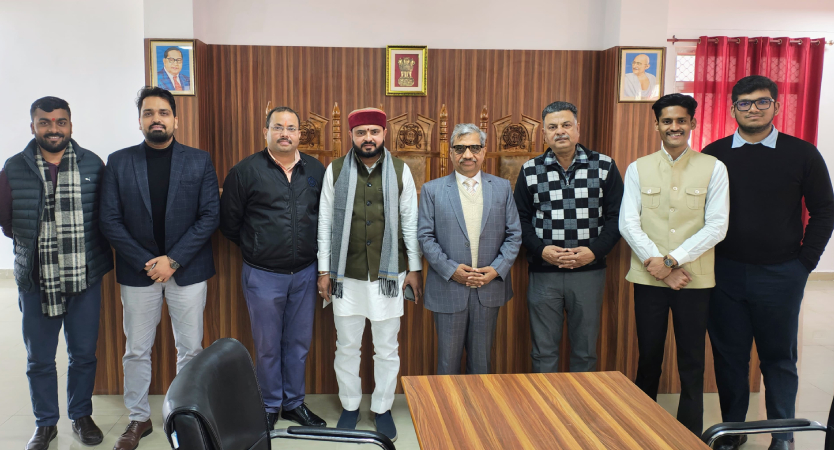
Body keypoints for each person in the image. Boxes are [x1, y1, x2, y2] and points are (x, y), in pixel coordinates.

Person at [702, 75, 834, 450]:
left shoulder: (802, 153)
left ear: (776, 106)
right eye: (744, 103)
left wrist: (804, 263)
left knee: (778, 359)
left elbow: (825, 211)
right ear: (733, 109)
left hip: (781, 274)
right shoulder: (714, 155)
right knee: (729, 359)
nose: (754, 109)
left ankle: (783, 435)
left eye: (762, 102)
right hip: (724, 273)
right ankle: (732, 432)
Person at [99, 86, 219, 450]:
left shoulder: (199, 160)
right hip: (139, 273)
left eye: (163, 113)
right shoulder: (119, 162)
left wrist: (173, 260)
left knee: (191, 349)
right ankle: (139, 418)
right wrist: (148, 262)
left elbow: (209, 215)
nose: (156, 119)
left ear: (175, 120)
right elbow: (109, 220)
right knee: (136, 349)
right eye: (148, 113)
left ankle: (185, 416)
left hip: (188, 271)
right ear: (139, 121)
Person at [0, 97, 113, 450]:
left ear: (70, 125)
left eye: (60, 121)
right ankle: (45, 423)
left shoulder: (93, 163)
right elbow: (8, 222)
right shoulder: (13, 167)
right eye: (44, 122)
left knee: (84, 354)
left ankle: (81, 415)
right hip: (37, 279)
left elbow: (105, 216)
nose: (53, 129)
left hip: (84, 276)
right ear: (32, 126)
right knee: (40, 358)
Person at [619, 93, 729, 437]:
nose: (674, 126)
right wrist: (660, 266)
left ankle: (690, 435)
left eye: (681, 120)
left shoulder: (714, 167)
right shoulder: (638, 168)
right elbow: (628, 223)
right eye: (667, 121)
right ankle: (643, 430)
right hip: (649, 279)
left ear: (692, 123)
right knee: (648, 357)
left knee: (692, 362)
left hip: (693, 280)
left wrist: (672, 261)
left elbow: (717, 225)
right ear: (657, 125)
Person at [317, 107, 423, 442]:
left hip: (388, 277)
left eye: (374, 132)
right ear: (351, 135)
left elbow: (410, 222)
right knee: (347, 346)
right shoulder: (335, 170)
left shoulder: (400, 170)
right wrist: (324, 270)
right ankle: (350, 406)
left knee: (386, 348)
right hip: (345, 276)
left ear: (384, 134)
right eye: (361, 132)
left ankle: (382, 407)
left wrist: (415, 269)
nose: (368, 138)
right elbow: (325, 223)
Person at [219, 106, 327, 428]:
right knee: (267, 346)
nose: (284, 134)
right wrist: (258, 246)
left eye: (291, 128)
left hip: (305, 273)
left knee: (298, 344)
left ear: (299, 135)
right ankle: (269, 405)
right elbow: (229, 223)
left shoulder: (316, 170)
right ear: (265, 132)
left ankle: (294, 403)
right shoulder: (245, 171)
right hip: (263, 274)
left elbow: (324, 218)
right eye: (278, 127)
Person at [514, 101, 623, 374]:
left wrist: (594, 252)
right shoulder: (530, 170)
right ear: (544, 133)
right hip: (544, 273)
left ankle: (580, 401)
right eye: (552, 127)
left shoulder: (604, 166)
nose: (560, 131)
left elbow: (617, 218)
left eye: (566, 125)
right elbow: (520, 220)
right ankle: (546, 402)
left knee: (585, 351)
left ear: (577, 128)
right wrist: (541, 250)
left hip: (589, 272)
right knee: (543, 351)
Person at [418, 123, 522, 375]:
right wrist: (452, 270)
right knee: (447, 363)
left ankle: (480, 404)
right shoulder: (432, 190)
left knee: (481, 363)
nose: (467, 155)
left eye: (474, 148)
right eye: (460, 148)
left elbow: (514, 235)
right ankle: (447, 404)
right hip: (448, 287)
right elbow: (425, 236)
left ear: (484, 151)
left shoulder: (502, 187)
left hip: (488, 287)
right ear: (451, 152)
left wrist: (495, 270)